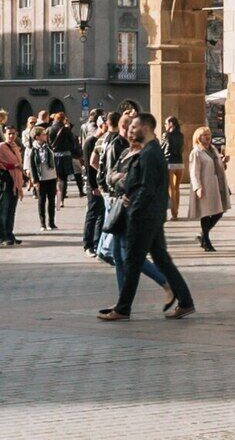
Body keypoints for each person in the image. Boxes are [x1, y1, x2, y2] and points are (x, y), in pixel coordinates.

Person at [96, 109, 194, 320]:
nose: (131, 131)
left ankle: (123, 309)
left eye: (134, 127)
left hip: (144, 216)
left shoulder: (150, 153)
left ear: (146, 128)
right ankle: (185, 302)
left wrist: (134, 209)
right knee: (160, 260)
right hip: (151, 215)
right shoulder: (149, 151)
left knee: (132, 261)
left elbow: (148, 188)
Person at [187, 122, 231, 253]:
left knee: (219, 211)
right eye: (204, 135)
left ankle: (202, 235)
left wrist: (223, 162)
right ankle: (206, 241)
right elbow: (193, 171)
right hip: (205, 186)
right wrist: (197, 187)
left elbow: (217, 167)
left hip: (217, 185)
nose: (207, 137)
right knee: (205, 214)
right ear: (198, 138)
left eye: (208, 135)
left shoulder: (213, 149)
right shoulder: (196, 152)